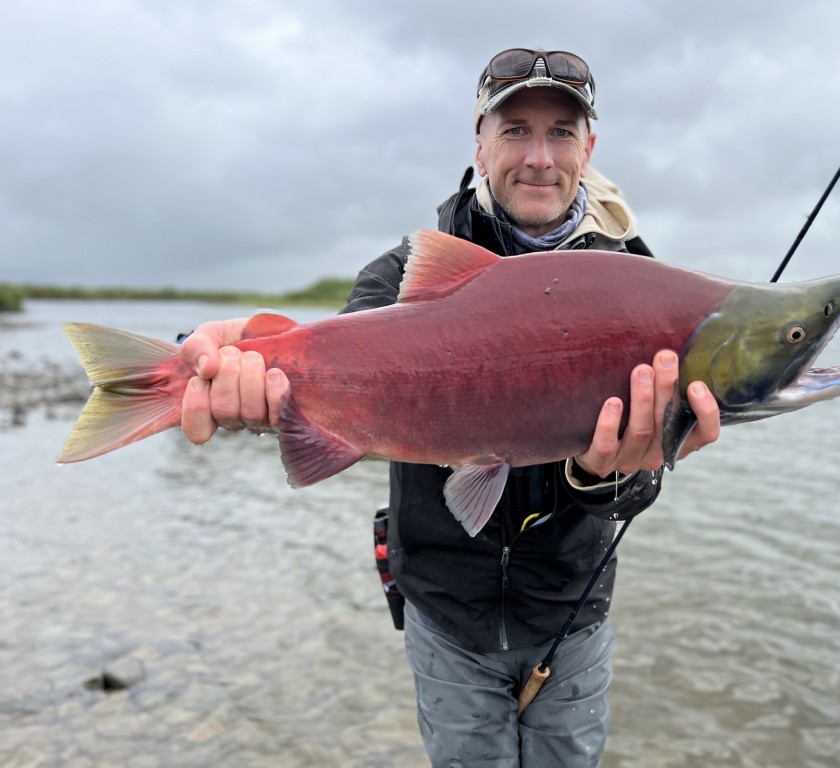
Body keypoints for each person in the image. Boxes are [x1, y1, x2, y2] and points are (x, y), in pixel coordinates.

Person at [178, 48, 720, 768]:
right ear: (479, 143)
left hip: (572, 610)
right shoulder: (406, 271)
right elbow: (334, 359)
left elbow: (637, 489)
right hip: (444, 612)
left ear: (589, 149)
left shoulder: (639, 282)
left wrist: (606, 473)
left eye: (561, 133)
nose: (538, 157)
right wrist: (225, 354)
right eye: (515, 130)